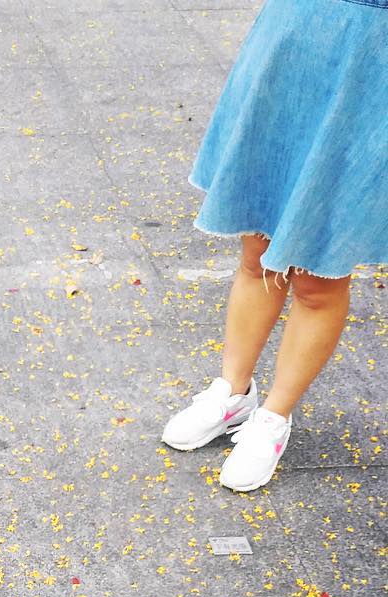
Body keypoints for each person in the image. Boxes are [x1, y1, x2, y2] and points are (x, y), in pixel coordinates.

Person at [161, 0, 387, 491]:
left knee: (318, 275)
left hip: (374, 59)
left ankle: (273, 418)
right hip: (295, 38)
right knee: (257, 248)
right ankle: (233, 391)